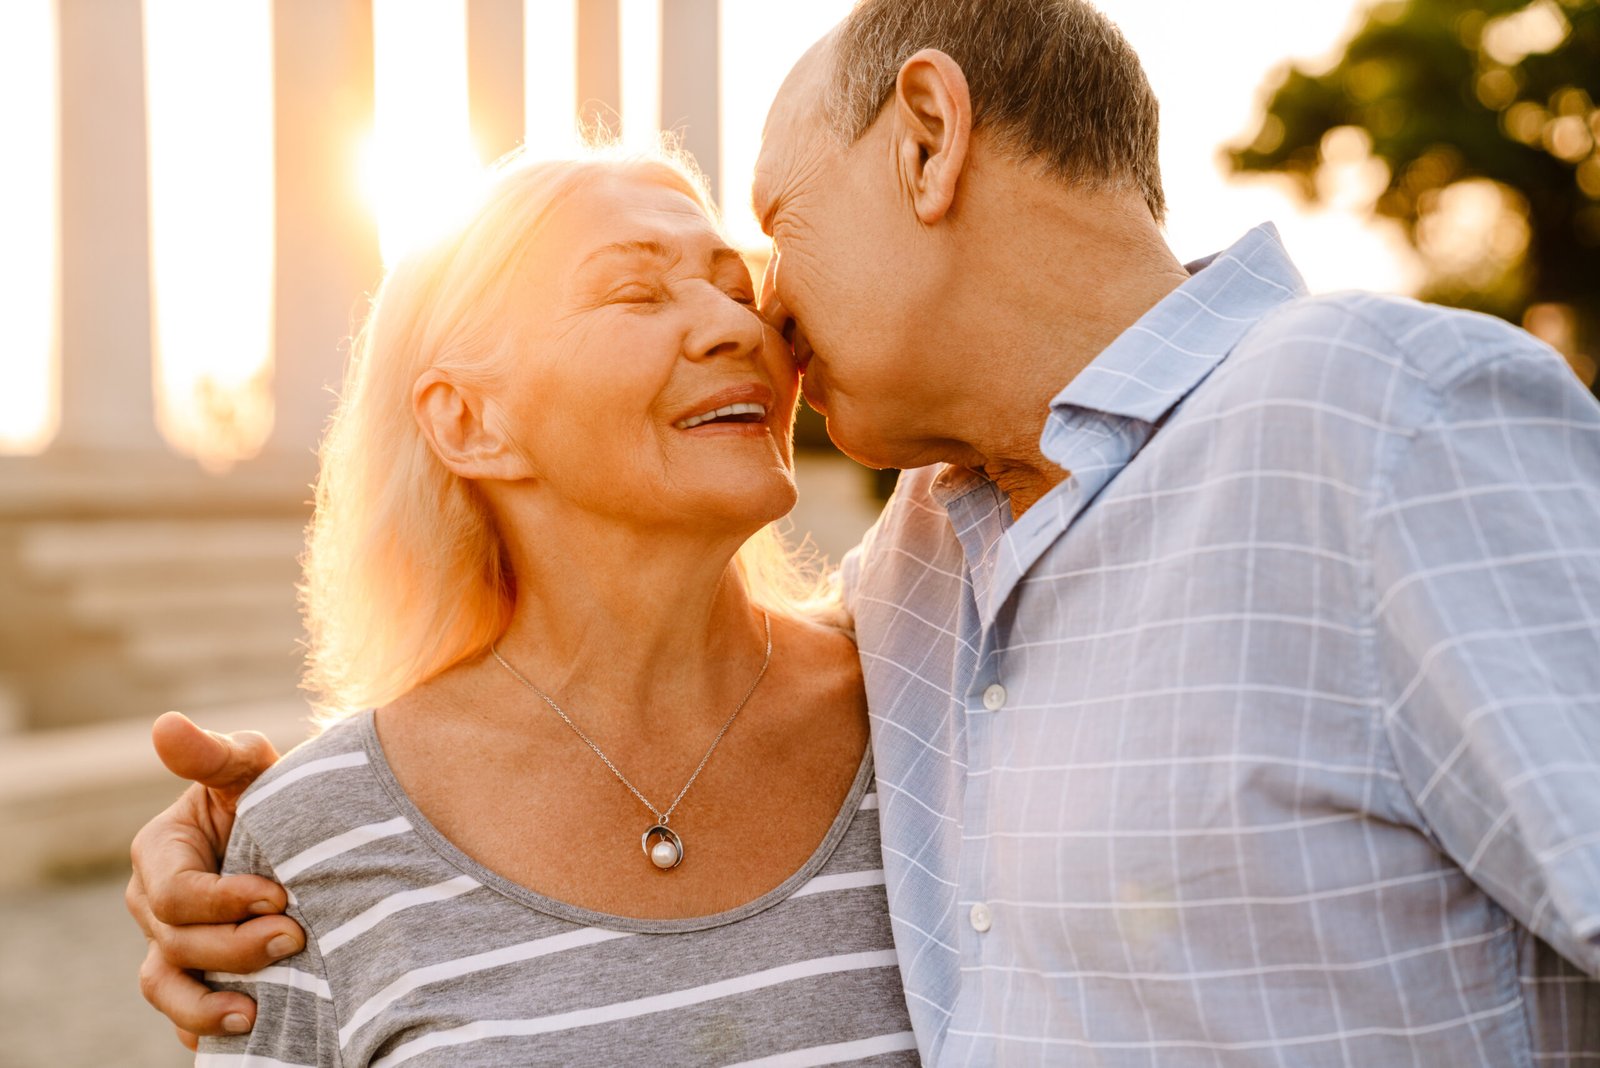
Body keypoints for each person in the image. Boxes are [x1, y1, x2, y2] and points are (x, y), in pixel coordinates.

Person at [131, 0, 1600, 1062]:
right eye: (655, 291)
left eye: (771, 232)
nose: (756, 315)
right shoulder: (928, 569)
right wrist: (260, 837)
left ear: (928, 141)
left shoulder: (1391, 416)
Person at [139, 145, 917, 1065]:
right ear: (472, 422)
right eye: (638, 294)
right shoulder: (315, 839)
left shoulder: (928, 697)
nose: (738, 328)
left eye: (737, 290)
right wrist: (293, 822)